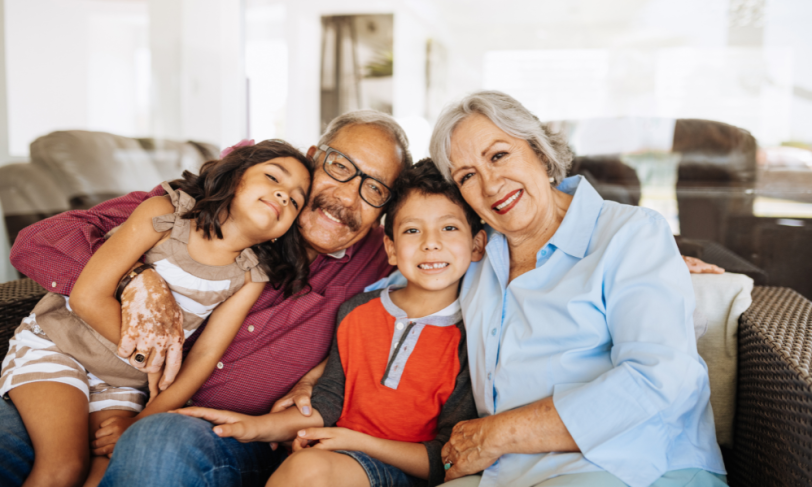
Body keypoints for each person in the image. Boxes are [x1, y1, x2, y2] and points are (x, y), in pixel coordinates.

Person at [0, 111, 410, 487]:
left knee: (152, 444)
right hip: (88, 368)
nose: (347, 197)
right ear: (313, 157)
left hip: (217, 431)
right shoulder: (200, 208)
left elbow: (439, 270)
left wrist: (320, 373)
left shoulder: (381, 256)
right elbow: (38, 244)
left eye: (374, 189)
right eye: (340, 167)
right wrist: (135, 279)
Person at [424, 91, 727, 487]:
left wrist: (496, 434)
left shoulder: (631, 235)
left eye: (498, 155)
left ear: (541, 152)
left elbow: (660, 379)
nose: (490, 183)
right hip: (509, 474)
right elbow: (394, 282)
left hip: (638, 469)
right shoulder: (472, 256)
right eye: (466, 176)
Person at [176, 159, 485, 487]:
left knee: (309, 470)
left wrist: (353, 442)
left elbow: (449, 457)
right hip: (331, 455)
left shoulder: (471, 337)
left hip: (400, 471)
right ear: (391, 249)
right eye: (412, 230)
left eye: (449, 227)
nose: (430, 242)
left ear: (477, 244)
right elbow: (327, 400)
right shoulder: (356, 311)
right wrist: (255, 427)